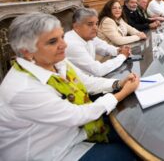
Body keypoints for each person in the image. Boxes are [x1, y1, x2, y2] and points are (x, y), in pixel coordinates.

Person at [0, 13, 140, 160]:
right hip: (51, 153)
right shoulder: (23, 89)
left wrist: (118, 83)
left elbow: (86, 81)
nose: (64, 45)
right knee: (127, 154)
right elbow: (78, 115)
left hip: (73, 133)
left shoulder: (55, 61)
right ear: (27, 52)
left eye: (62, 37)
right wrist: (122, 93)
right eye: (53, 41)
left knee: (134, 130)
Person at [65, 8, 131, 76]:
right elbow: (98, 71)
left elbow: (104, 46)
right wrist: (122, 56)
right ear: (76, 26)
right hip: (79, 84)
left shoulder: (88, 36)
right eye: (90, 24)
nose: (95, 28)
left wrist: (118, 50)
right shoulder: (72, 44)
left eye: (96, 23)